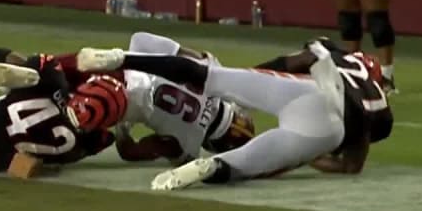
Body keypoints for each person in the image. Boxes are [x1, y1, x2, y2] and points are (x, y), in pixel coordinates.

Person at [77, 38, 393, 191]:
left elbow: (301, 58)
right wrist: (308, 157)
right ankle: (213, 166)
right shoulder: (378, 102)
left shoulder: (338, 55)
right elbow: (351, 165)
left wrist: (251, 78)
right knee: (246, 165)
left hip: (309, 89)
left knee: (207, 75)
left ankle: (121, 58)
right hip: (329, 127)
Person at [0, 33, 257, 165]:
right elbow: (133, 152)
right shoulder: (188, 147)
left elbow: (152, 43)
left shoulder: (216, 74)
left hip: (114, 64)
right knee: (85, 137)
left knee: (51, 67)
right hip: (116, 100)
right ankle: (66, 105)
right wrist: (123, 131)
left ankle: (30, 68)